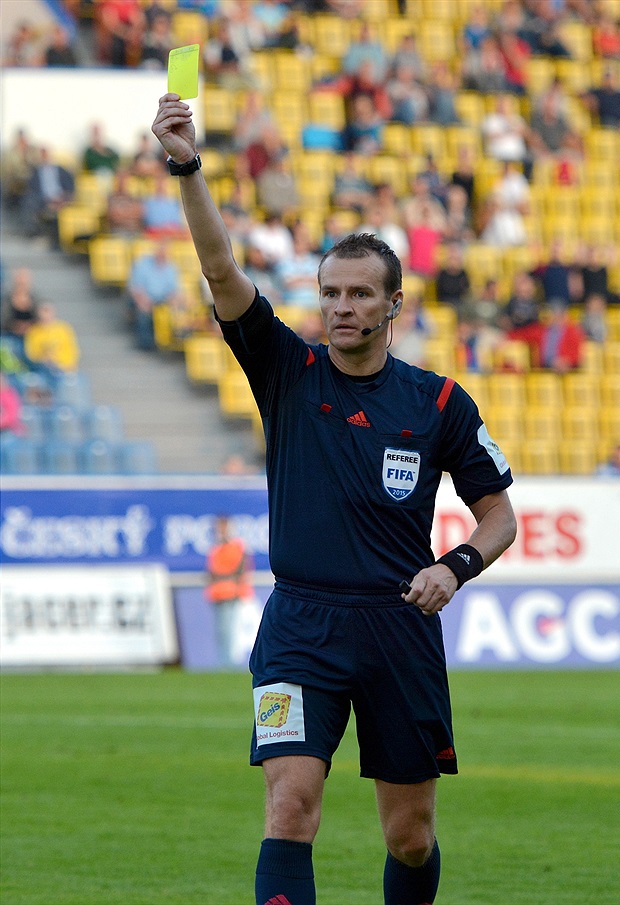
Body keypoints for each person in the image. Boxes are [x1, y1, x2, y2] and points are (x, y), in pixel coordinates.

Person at [152, 92, 517, 905]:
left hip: (399, 628)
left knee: (409, 835)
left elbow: (500, 516)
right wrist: (187, 167)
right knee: (289, 808)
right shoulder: (287, 371)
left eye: (360, 294)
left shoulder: (439, 401)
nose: (342, 307)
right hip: (300, 626)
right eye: (331, 293)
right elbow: (220, 271)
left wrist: (455, 567)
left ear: (394, 305)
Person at [205, 515, 255, 668]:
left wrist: (223, 578)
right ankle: (224, 662)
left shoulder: (237, 546)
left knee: (228, 629)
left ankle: (228, 662)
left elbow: (238, 570)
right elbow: (212, 571)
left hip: (232, 593)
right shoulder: (216, 547)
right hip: (218, 594)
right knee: (221, 631)